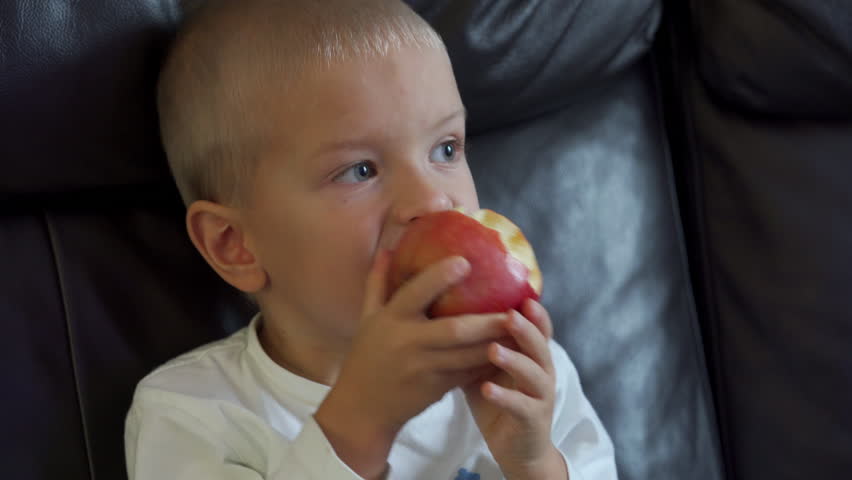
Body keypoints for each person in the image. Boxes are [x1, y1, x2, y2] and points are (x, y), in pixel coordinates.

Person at [124, 0, 617, 478]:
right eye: (360, 170)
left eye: (445, 148)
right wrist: (361, 425)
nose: (432, 200)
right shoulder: (194, 414)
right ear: (236, 244)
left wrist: (534, 465)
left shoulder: (522, 372)